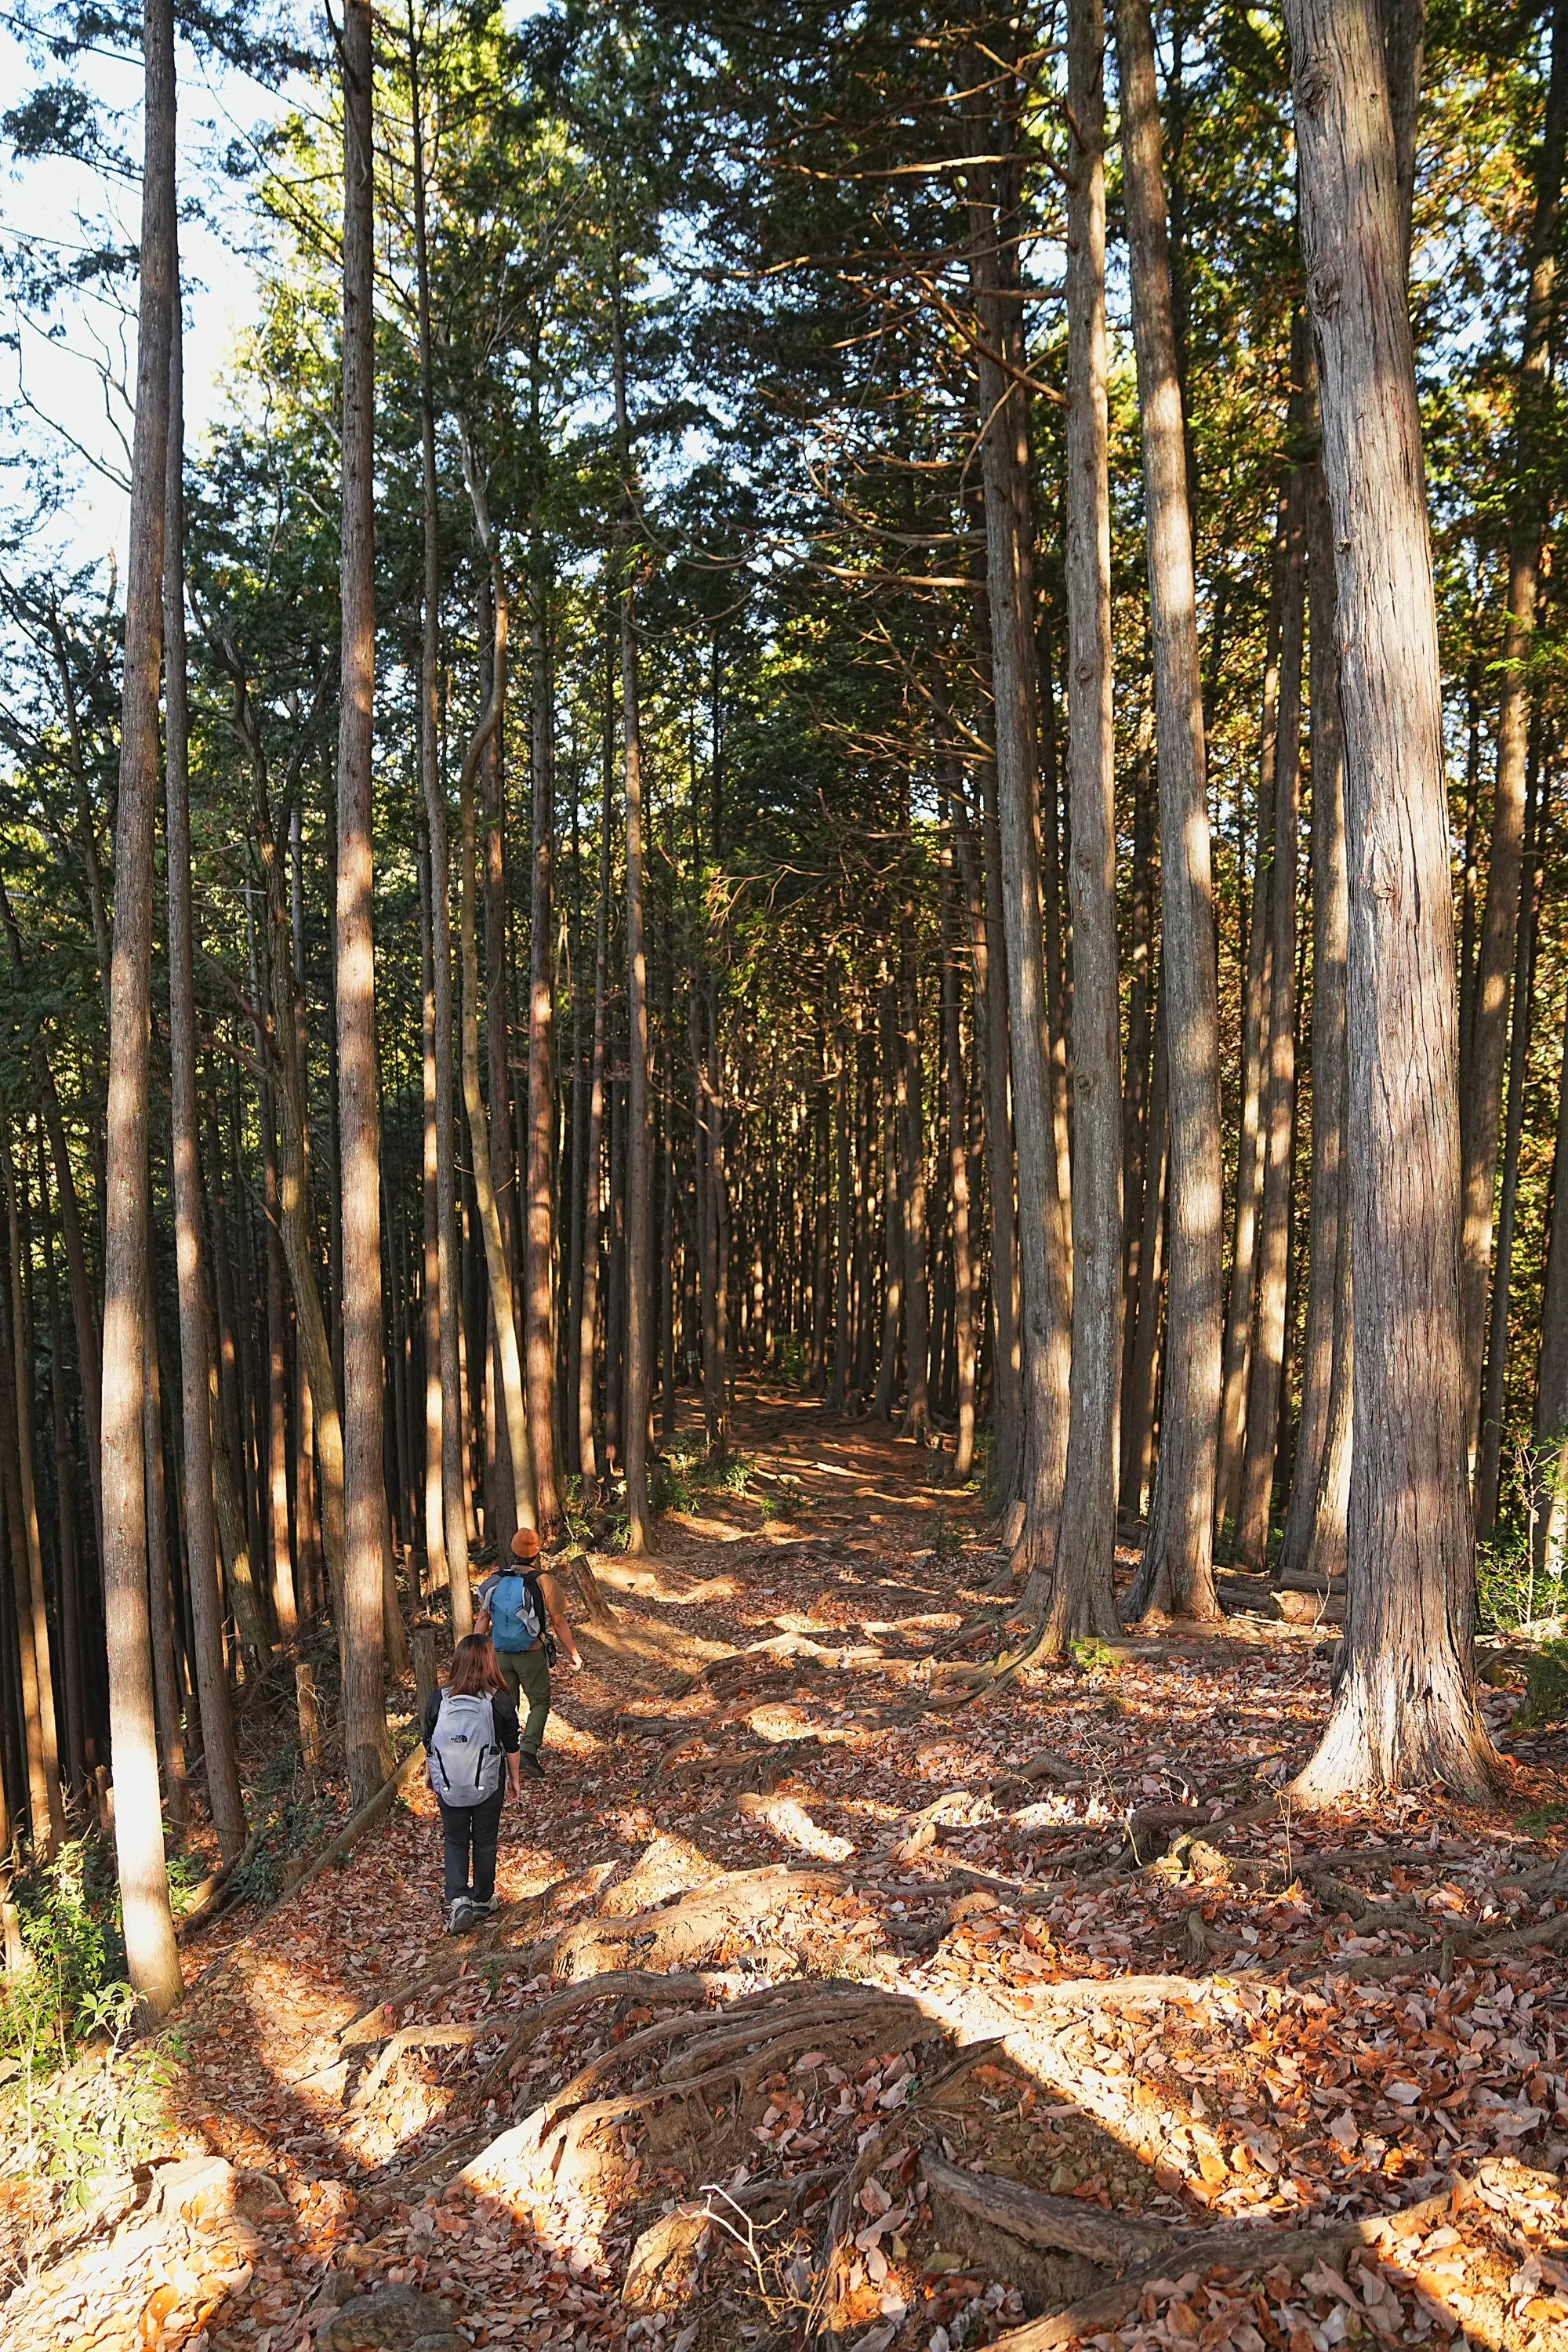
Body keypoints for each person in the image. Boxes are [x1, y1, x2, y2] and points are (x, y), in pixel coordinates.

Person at [423, 1632, 521, 1934]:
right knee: (484, 1839)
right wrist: (515, 1778)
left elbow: (429, 1740)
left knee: (454, 1839)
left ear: (458, 1662)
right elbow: (511, 1743)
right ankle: (482, 1898)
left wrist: (430, 1773)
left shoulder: (439, 1697)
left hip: (449, 1780)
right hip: (488, 1781)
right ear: (491, 1662)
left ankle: (458, 1899)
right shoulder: (500, 1700)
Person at [474, 1526, 583, 1782]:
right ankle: (528, 1749)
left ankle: (502, 1753)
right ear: (536, 1553)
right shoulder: (543, 1580)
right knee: (540, 1702)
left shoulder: (496, 1581)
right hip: (531, 1653)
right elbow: (559, 1622)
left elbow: (483, 1618)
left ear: (513, 1551)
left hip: (500, 1654)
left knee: (506, 1704)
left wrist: (477, 1649)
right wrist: (573, 1653)